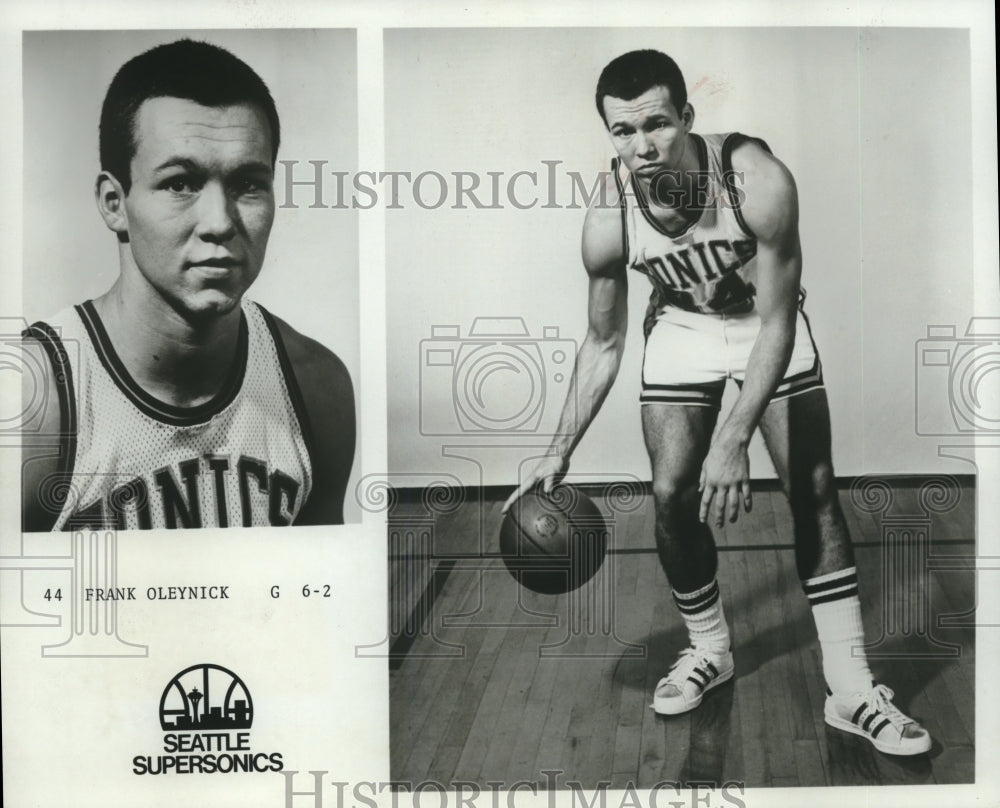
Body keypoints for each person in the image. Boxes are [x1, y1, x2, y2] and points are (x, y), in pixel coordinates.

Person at [504, 49, 930, 756]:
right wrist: (558, 448)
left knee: (812, 485)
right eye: (622, 132)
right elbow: (604, 341)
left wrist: (734, 437)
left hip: (767, 320)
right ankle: (710, 649)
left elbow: (777, 319)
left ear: (688, 118)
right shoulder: (609, 215)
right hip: (684, 325)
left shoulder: (754, 179)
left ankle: (853, 688)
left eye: (658, 124)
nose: (642, 146)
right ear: (608, 135)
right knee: (670, 491)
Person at [20, 39, 355, 531]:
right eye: (180, 183)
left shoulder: (315, 385)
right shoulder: (35, 398)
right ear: (115, 203)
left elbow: (316, 597)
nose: (219, 222)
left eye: (248, 184)